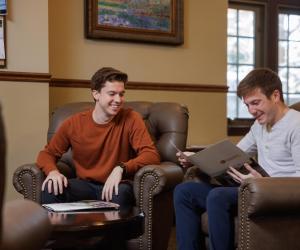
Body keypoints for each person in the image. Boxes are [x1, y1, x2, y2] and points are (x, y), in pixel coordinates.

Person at [174, 68, 300, 250]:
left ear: (275, 95)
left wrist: (264, 183)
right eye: (247, 105)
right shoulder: (259, 125)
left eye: (256, 103)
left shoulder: (296, 125)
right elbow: (233, 152)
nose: (251, 111)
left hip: (275, 195)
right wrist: (197, 158)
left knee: (217, 196)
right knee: (184, 191)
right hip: (253, 188)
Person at [37, 67, 160, 208]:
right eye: (112, 94)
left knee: (121, 194)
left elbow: (151, 155)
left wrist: (121, 168)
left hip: (117, 185)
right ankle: (65, 231)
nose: (118, 100)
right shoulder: (74, 123)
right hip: (85, 185)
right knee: (50, 190)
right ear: (96, 94)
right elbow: (47, 154)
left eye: (121, 94)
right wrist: (52, 172)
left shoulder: (131, 118)